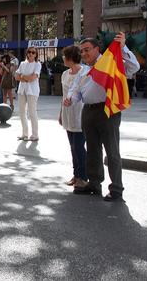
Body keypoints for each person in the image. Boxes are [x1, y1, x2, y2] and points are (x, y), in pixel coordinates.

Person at [64, 33, 140, 202]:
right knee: (92, 150)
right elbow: (76, 89)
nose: (84, 54)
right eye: (82, 51)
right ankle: (94, 183)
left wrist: (123, 48)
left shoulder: (111, 63)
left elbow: (134, 67)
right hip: (88, 111)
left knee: (112, 151)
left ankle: (116, 188)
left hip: (107, 110)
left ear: (97, 49)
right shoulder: (84, 70)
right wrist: (70, 99)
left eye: (87, 50)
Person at [59, 45, 88, 190]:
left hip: (79, 113)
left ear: (70, 57)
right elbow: (63, 95)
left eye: (65, 56)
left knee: (78, 147)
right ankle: (76, 175)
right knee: (72, 147)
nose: (63, 58)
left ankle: (83, 176)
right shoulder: (65, 74)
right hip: (67, 113)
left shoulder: (84, 72)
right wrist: (60, 113)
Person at [15, 47, 41, 141]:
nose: (31, 54)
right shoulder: (22, 63)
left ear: (36, 54)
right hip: (22, 90)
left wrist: (22, 77)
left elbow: (33, 78)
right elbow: (16, 76)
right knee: (22, 112)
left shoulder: (37, 64)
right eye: (29, 52)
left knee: (32, 112)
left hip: (33, 91)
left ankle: (35, 135)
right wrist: (26, 78)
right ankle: (24, 134)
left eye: (33, 52)